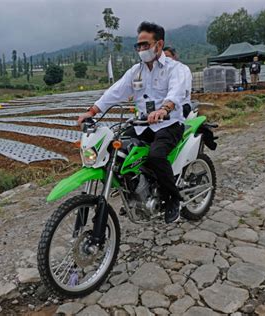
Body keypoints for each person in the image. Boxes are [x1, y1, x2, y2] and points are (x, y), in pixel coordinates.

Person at [78, 21, 186, 223]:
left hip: (168, 124)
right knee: (116, 151)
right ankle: (133, 192)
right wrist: (91, 111)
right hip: (141, 126)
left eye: (146, 44)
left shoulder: (176, 69)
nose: (141, 49)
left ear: (159, 45)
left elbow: (176, 92)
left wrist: (164, 108)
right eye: (139, 46)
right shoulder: (135, 72)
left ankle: (173, 198)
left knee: (156, 156)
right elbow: (114, 93)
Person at [164, 46, 192, 118]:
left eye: (168, 56)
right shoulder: (163, 71)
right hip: (166, 106)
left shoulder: (183, 69)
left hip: (182, 104)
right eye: (163, 57)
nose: (166, 59)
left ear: (174, 56)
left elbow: (185, 90)